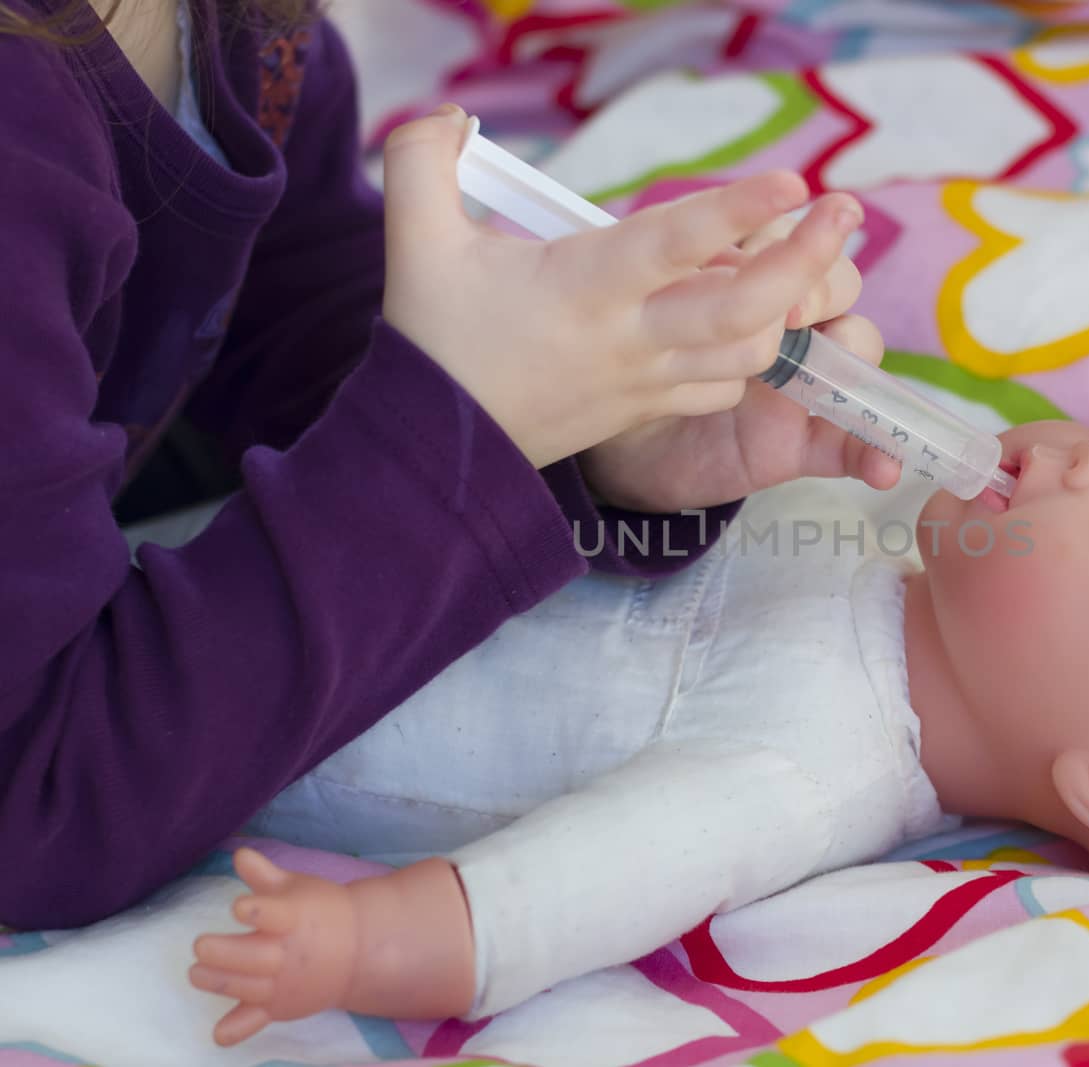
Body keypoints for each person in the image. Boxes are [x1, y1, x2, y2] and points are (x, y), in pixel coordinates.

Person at [0, 0, 894, 932]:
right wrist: (467, 440)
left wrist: (592, 427)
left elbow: (272, 310)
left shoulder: (230, 28)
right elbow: (38, 800)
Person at [188, 419, 1089, 1047]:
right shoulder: (881, 526)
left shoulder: (809, 763)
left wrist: (367, 939)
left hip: (236, 684)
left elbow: (582, 878)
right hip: (283, 520)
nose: (1084, 459)